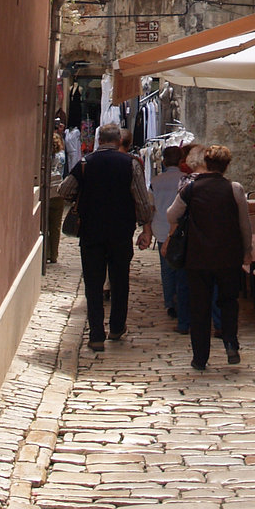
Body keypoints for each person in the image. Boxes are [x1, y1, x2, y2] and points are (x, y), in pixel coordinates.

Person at [60, 122, 153, 350]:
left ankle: (96, 335)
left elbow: (64, 189)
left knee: (93, 284)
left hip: (91, 232)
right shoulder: (130, 164)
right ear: (118, 142)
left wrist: (83, 196)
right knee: (120, 280)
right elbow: (141, 198)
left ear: (99, 140)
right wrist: (146, 228)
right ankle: (117, 327)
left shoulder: (85, 163)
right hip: (121, 232)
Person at [167, 144, 252, 371]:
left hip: (198, 256)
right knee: (228, 302)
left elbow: (171, 214)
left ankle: (200, 356)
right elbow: (244, 224)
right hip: (228, 256)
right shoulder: (234, 189)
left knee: (199, 306)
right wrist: (247, 250)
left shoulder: (192, 189)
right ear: (226, 166)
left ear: (206, 163)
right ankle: (231, 344)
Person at [151, 145, 192, 332]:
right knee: (181, 268)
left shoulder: (156, 181)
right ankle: (180, 300)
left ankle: (170, 302)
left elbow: (150, 204)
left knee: (166, 268)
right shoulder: (185, 181)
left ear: (164, 161)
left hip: (161, 227)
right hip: (181, 229)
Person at [46, 132, 68, 264]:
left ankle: (45, 252)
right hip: (58, 193)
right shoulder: (62, 156)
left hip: (47, 192)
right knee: (55, 226)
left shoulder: (44, 156)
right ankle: (53, 254)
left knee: (44, 224)